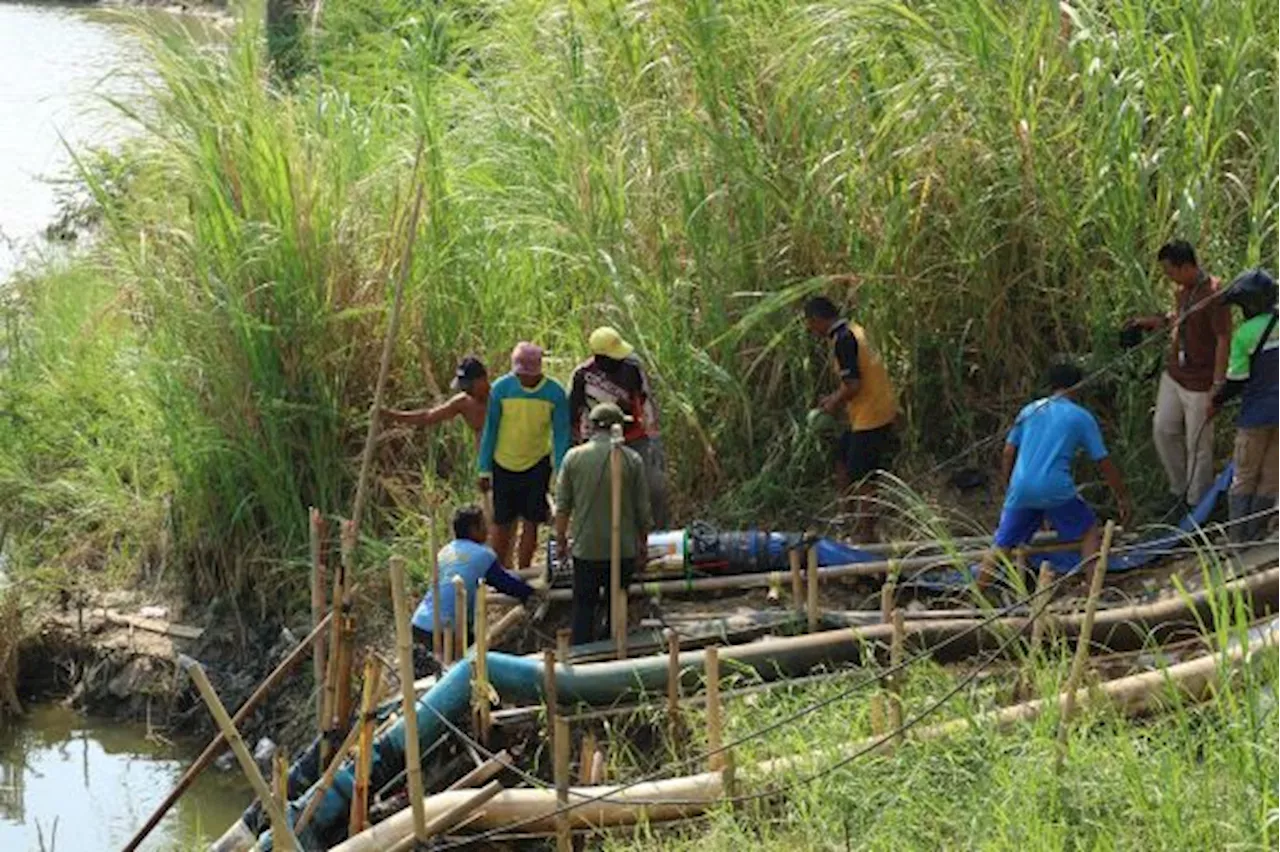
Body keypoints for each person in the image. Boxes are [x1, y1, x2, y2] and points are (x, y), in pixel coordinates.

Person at [978, 362, 1131, 590]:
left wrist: (1010, 485)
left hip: (1020, 486)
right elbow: (1103, 461)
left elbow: (1008, 452)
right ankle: (1093, 590)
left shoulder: (1029, 411)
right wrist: (1122, 496)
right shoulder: (1081, 417)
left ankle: (977, 594)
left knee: (1002, 544)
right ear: (1077, 386)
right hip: (1054, 487)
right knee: (1089, 530)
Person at [1129, 241, 1231, 512]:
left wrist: (1218, 385)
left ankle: (1197, 503)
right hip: (1175, 375)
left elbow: (1223, 338)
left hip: (1201, 381)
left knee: (1197, 443)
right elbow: (1181, 318)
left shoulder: (1214, 293)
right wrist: (1152, 321)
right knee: (1163, 430)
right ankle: (1179, 488)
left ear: (1187, 266)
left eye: (1170, 271)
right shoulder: (1183, 291)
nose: (1168, 277)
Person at [554, 403, 652, 645]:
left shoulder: (573, 458)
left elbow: (563, 505)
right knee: (616, 605)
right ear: (618, 428)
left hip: (586, 549)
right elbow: (642, 510)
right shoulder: (632, 460)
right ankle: (613, 652)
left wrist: (561, 541)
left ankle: (580, 656)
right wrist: (643, 544)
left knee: (583, 606)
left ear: (593, 427)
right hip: (622, 550)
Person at [802, 295, 899, 541]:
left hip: (872, 415)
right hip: (872, 410)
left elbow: (853, 385)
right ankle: (846, 517)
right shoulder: (852, 330)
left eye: (810, 324)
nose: (810, 330)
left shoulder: (844, 340)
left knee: (863, 474)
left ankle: (867, 534)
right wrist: (835, 398)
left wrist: (832, 403)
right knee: (842, 458)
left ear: (818, 320)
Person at [410, 505, 539, 673]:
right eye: (483, 525)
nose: (488, 530)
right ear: (473, 530)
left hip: (420, 623)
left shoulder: (445, 551)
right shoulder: (482, 555)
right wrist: (530, 592)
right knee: (459, 672)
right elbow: (506, 583)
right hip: (444, 629)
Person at [477, 342, 571, 571]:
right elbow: (491, 430)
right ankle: (499, 575)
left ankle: (524, 572)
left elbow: (561, 434)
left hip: (536, 464)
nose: (523, 379)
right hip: (503, 463)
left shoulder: (554, 393)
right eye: (519, 374)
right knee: (502, 524)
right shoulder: (501, 389)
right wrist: (484, 468)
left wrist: (561, 470)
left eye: (528, 374)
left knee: (531, 523)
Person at [568, 326, 669, 528]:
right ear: (600, 356)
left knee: (654, 486)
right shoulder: (582, 375)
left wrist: (653, 435)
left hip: (635, 437)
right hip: (598, 441)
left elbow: (646, 399)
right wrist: (577, 443)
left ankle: (659, 531)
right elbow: (573, 413)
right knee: (601, 492)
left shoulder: (633, 368)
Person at [1210, 269, 1280, 543]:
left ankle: (1238, 539)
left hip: (1256, 416)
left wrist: (1216, 401)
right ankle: (1257, 534)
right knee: (1272, 476)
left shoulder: (1245, 335)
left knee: (1245, 475)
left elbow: (1236, 381)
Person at [381, 356, 490, 441]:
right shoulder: (462, 403)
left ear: (483, 379)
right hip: (486, 466)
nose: (466, 391)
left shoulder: (501, 396)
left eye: (468, 386)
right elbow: (427, 417)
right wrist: (391, 415)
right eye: (463, 387)